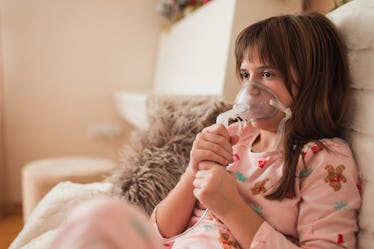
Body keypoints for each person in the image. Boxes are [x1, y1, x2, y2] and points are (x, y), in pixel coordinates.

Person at [52, 12, 361, 249]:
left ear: (312, 82)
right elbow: (160, 233)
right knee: (99, 214)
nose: (250, 89)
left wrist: (230, 207)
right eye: (245, 75)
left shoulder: (325, 160)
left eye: (267, 73)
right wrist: (192, 170)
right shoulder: (235, 139)